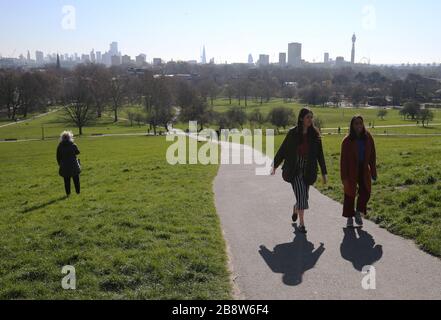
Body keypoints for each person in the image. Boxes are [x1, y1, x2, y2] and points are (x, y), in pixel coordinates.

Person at [271, 108, 328, 234]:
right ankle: (302, 224)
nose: (310, 119)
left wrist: (324, 173)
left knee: (304, 196)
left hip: (308, 171)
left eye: (311, 117)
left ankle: (296, 208)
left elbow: (320, 155)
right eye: (308, 117)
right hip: (294, 170)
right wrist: (274, 165)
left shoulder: (315, 134)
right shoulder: (293, 133)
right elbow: (283, 149)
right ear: (301, 118)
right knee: (302, 196)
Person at [340, 116, 377, 227]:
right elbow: (343, 160)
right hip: (351, 169)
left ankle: (358, 212)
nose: (358, 126)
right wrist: (344, 177)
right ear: (352, 125)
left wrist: (373, 171)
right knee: (350, 193)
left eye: (360, 123)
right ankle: (349, 217)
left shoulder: (368, 137)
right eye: (356, 123)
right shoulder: (347, 141)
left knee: (366, 191)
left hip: (364, 168)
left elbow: (372, 155)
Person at [57, 131, 81, 197]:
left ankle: (68, 194)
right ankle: (78, 192)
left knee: (66, 181)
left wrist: (60, 164)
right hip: (74, 165)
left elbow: (58, 157)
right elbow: (78, 152)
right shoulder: (73, 145)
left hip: (64, 165)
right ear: (70, 137)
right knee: (76, 180)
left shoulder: (60, 146)